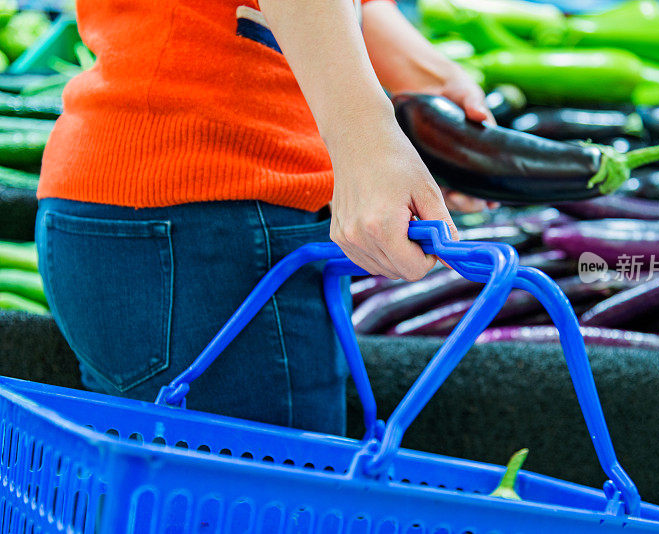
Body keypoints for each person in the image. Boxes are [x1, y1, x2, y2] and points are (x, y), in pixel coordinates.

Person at [35, 0, 495, 435]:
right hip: (211, 213)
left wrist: (426, 77)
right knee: (259, 503)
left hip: (139, 199)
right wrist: (367, 143)